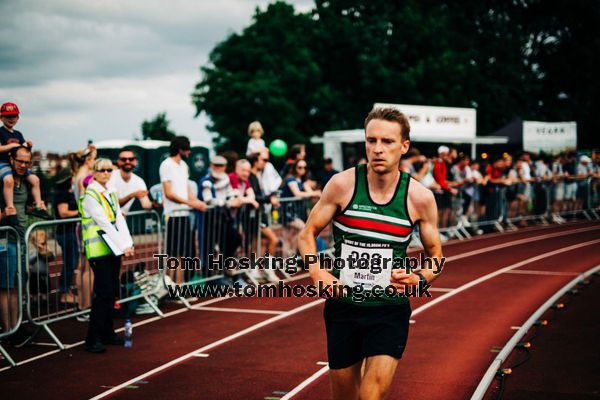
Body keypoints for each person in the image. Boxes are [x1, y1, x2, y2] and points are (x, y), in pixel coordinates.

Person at [298, 108, 443, 400]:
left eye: (387, 142)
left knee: (370, 397)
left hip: (389, 309)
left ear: (404, 146)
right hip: (343, 307)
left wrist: (420, 278)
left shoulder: (419, 198)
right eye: (371, 140)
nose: (377, 149)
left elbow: (436, 257)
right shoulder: (342, 185)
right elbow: (306, 234)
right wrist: (317, 272)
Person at [79, 158, 134, 353]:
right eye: (101, 170)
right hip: (98, 250)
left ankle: (107, 332)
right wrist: (123, 245)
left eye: (109, 170)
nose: (105, 173)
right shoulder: (90, 194)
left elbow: (118, 218)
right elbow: (103, 223)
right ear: (93, 172)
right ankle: (92, 338)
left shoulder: (110, 192)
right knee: (103, 292)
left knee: (111, 291)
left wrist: (128, 244)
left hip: (112, 248)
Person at [160, 136, 207, 284]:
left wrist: (197, 202)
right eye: (187, 148)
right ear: (180, 149)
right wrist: (191, 204)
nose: (189, 151)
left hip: (184, 214)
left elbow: (187, 188)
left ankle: (177, 290)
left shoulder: (184, 166)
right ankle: (174, 291)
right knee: (174, 256)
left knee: (183, 254)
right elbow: (169, 193)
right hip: (172, 215)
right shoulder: (166, 165)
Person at [0, 146, 34, 346]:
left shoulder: (24, 182)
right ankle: (7, 330)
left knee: (17, 286)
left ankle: (15, 325)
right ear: (11, 159)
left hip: (20, 239)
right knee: (6, 286)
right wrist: (6, 213)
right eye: (20, 161)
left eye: (27, 162)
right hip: (5, 240)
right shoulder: (3, 182)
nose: (23, 165)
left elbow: (23, 207)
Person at [0, 102, 47, 218]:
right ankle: (10, 207)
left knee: (35, 180)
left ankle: (38, 205)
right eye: (8, 116)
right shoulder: (0, 132)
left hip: (18, 164)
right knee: (8, 181)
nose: (11, 119)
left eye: (14, 116)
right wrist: (11, 146)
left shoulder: (18, 134)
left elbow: (23, 150)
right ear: (1, 118)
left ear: (18, 118)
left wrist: (28, 146)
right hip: (3, 162)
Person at [107, 147, 152, 214]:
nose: (127, 161)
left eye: (131, 159)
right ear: (118, 161)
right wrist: (132, 195)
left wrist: (155, 204)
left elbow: (145, 205)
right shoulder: (110, 176)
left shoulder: (139, 181)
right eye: (123, 159)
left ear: (136, 161)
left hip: (121, 220)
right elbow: (112, 204)